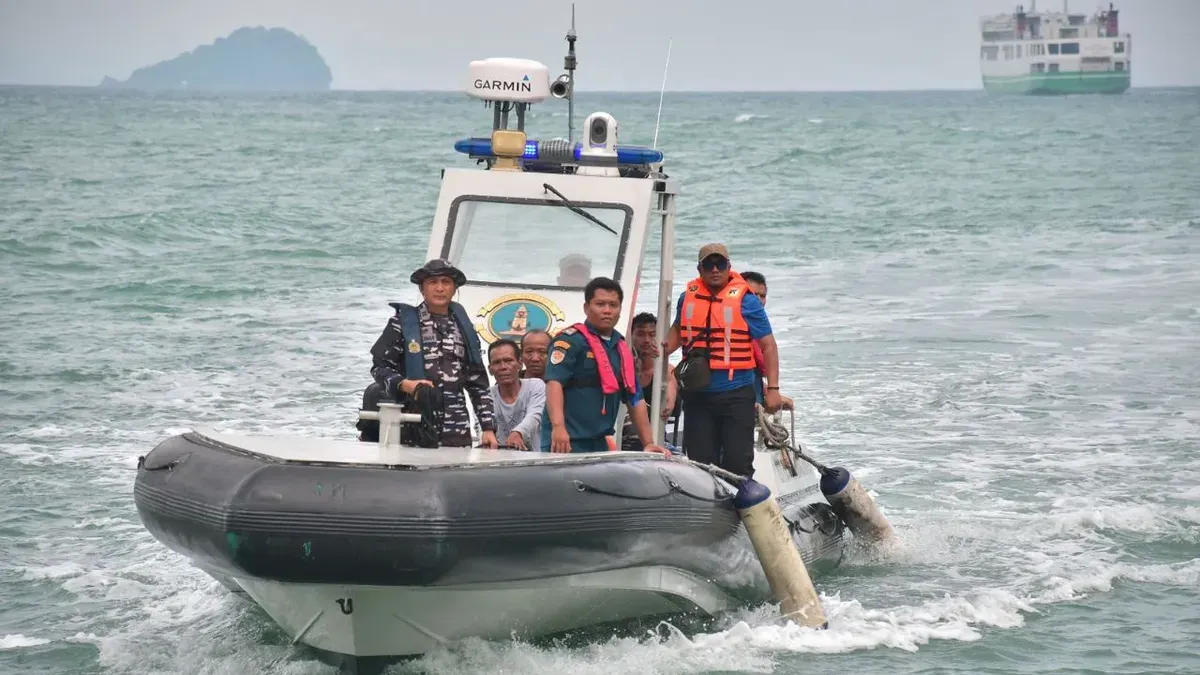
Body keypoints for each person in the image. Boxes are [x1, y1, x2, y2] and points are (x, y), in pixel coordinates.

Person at [663, 244, 781, 477]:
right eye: (709, 264)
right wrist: (658, 351)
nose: (715, 269)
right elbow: (678, 331)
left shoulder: (747, 301)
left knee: (738, 461)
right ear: (700, 268)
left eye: (721, 264)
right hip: (697, 392)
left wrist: (774, 389)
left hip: (736, 392)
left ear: (729, 267)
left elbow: (769, 346)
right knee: (701, 462)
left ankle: (742, 506)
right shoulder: (686, 297)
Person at [358, 258, 499, 448]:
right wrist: (405, 384)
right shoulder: (402, 324)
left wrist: (488, 428)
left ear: (454, 288)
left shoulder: (464, 328)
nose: (440, 288)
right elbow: (379, 368)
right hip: (411, 425)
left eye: (446, 282)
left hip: (455, 432)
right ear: (422, 289)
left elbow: (477, 383)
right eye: (433, 282)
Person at [545, 277, 669, 456]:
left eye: (613, 305)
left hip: (599, 442)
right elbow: (554, 384)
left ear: (620, 310)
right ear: (587, 308)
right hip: (565, 440)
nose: (607, 311)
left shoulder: (621, 348)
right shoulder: (570, 341)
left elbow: (635, 398)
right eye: (600, 304)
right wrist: (558, 428)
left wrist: (648, 442)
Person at [741, 271, 794, 411]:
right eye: (753, 295)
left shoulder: (760, 327)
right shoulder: (732, 324)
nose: (757, 300)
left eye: (762, 296)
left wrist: (772, 392)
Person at [487, 339, 546, 450]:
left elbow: (535, 415)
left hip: (535, 461)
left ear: (520, 363)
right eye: (496, 362)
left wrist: (518, 433)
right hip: (498, 462)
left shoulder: (536, 386)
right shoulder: (485, 396)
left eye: (508, 360)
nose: (503, 367)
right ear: (490, 369)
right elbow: (483, 429)